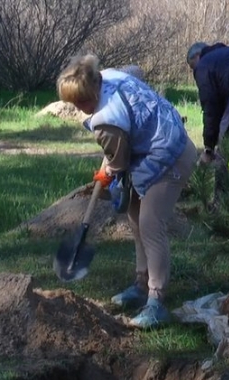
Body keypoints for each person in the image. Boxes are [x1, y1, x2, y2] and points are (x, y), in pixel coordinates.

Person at [57, 55, 198, 329]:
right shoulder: (109, 75)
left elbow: (118, 163)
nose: (80, 107)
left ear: (94, 87)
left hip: (172, 155)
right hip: (152, 148)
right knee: (135, 219)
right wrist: (108, 165)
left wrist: (106, 172)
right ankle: (141, 284)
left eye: (83, 101)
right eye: (74, 103)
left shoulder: (106, 121)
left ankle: (156, 302)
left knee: (150, 223)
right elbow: (137, 70)